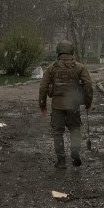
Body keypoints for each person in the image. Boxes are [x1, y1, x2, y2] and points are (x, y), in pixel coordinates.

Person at [39, 40, 93, 168]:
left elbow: (43, 87)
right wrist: (88, 102)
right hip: (73, 105)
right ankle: (75, 154)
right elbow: (88, 86)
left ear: (58, 52)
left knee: (58, 132)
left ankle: (61, 161)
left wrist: (42, 104)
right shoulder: (80, 67)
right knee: (74, 129)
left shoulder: (52, 68)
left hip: (57, 105)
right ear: (71, 52)